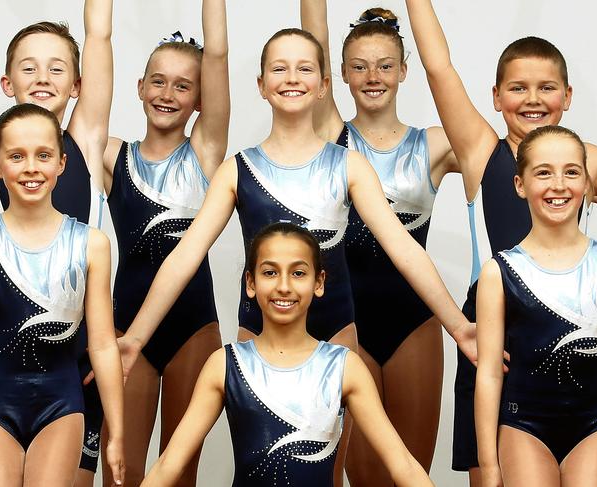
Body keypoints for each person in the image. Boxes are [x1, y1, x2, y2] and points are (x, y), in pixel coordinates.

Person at [117, 27, 475, 486]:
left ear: (324, 84)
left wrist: (458, 326)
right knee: (263, 460)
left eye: (305, 68)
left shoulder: (346, 164)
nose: (292, 78)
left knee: (323, 472)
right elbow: (187, 253)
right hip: (259, 333)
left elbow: (403, 248)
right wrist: (136, 338)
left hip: (337, 334)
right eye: (279, 69)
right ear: (262, 84)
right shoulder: (239, 169)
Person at [403, 0, 597, 483]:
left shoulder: (584, 163)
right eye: (518, 88)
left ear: (568, 95)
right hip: (492, 347)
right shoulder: (482, 151)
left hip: (566, 350)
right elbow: (438, 68)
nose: (532, 99)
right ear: (496, 97)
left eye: (546, 88)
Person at [139, 222, 435, 487]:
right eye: (270, 272)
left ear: (318, 283)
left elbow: (404, 466)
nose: (283, 286)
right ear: (251, 283)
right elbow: (169, 465)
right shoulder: (227, 365)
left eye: (298, 273)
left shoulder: (343, 367)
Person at [300, 2, 461, 480]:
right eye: (360, 66)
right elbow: (315, 36)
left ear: (403, 72)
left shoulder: (433, 144)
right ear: (340, 76)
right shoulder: (331, 135)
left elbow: (510, 159)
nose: (374, 76)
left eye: (386, 66)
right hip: (348, 321)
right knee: (365, 475)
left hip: (414, 322)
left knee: (412, 473)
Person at [0, 2, 113, 482]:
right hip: (2, 353)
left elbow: (100, 34)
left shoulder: (85, 140)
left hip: (75, 354)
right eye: (29, 67)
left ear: (77, 86)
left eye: (58, 68)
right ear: (7, 83)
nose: (43, 76)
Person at [100, 0, 229, 485]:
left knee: (178, 474)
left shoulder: (206, 151)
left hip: (193, 328)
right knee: (122, 470)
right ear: (139, 87)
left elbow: (217, 54)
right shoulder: (112, 156)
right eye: (158, 80)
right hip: (126, 325)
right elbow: (94, 61)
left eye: (183, 85)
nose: (167, 93)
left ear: (200, 98)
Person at [475, 125, 597, 487]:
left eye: (572, 172)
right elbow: (489, 373)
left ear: (587, 184)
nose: (558, 185)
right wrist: (489, 465)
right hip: (525, 427)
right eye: (543, 173)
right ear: (520, 185)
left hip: (596, 424)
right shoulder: (501, 271)